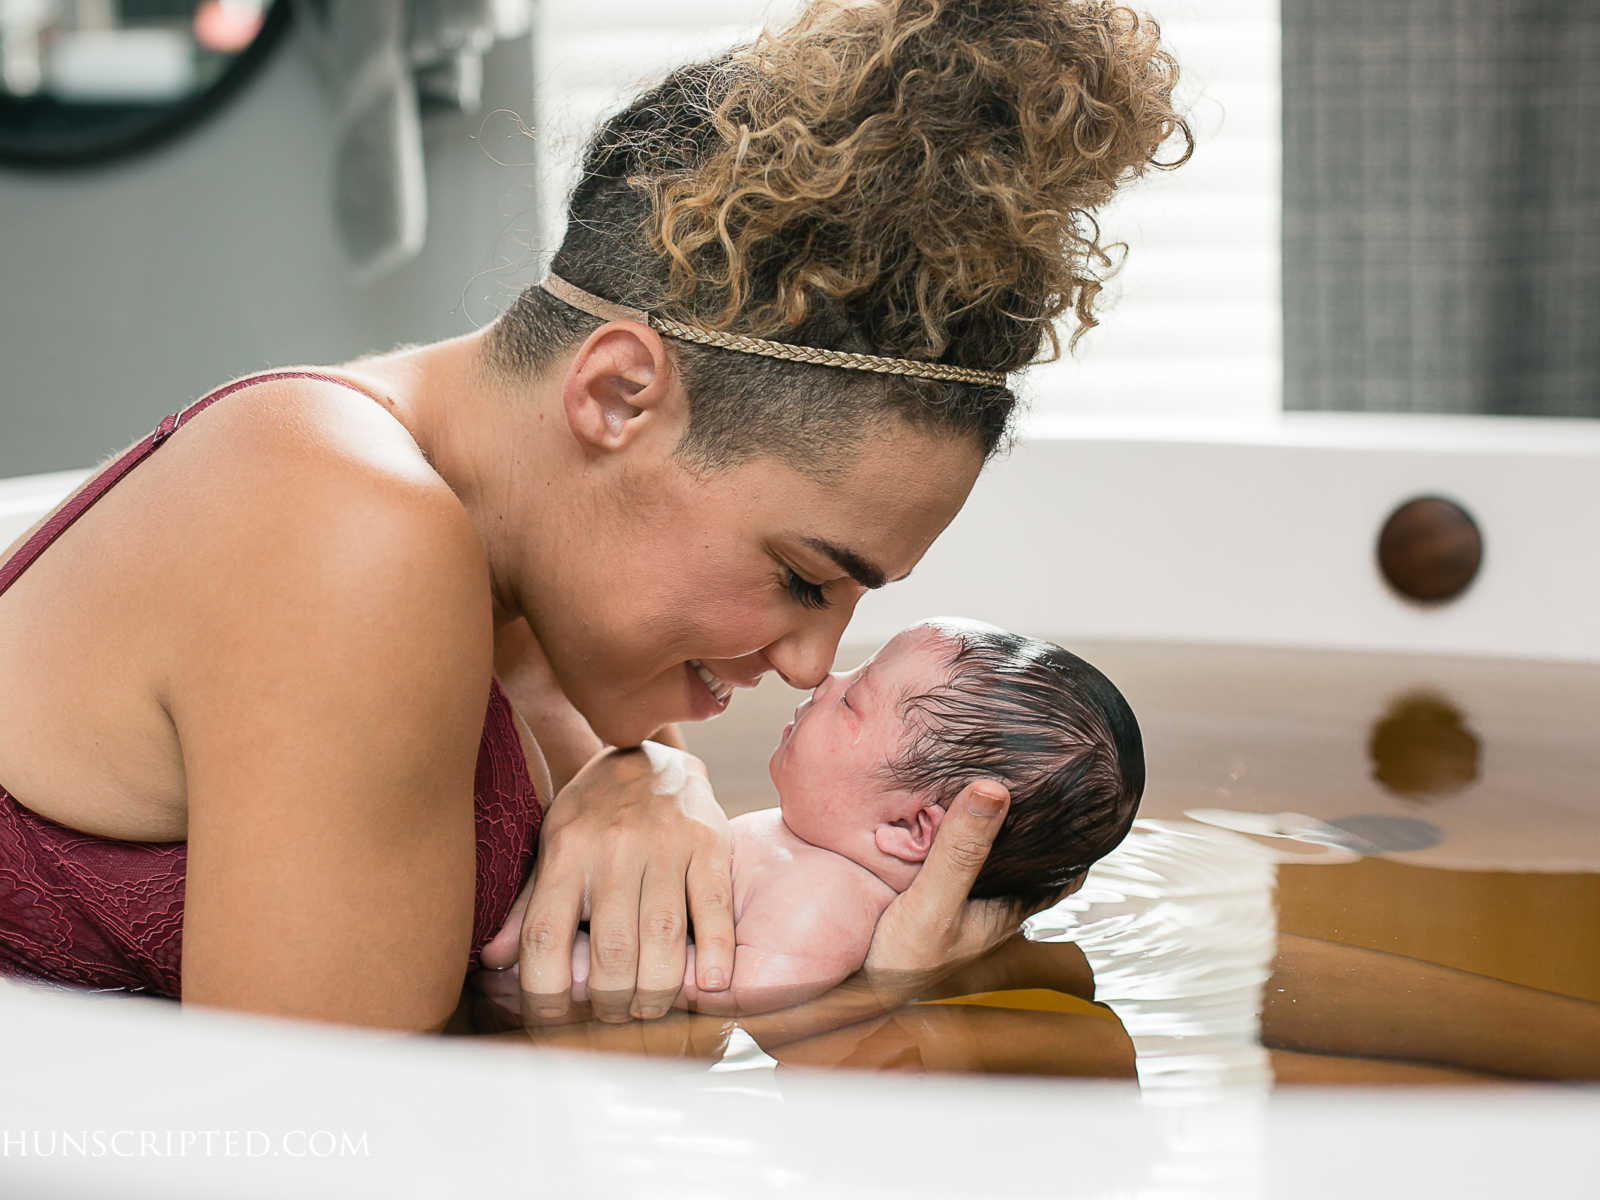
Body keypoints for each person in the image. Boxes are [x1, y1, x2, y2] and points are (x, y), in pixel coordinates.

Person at [0, 0, 1191, 1031]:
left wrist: (654, 783)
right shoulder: (348, 532)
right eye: (801, 577)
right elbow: (320, 1151)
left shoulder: (547, 584)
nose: (808, 665)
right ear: (618, 396)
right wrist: (874, 1017)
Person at [474, 618, 1145, 1019]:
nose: (825, 679)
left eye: (854, 701)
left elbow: (744, 992)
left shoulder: (827, 898)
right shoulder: (812, 846)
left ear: (911, 830)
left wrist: (569, 956)